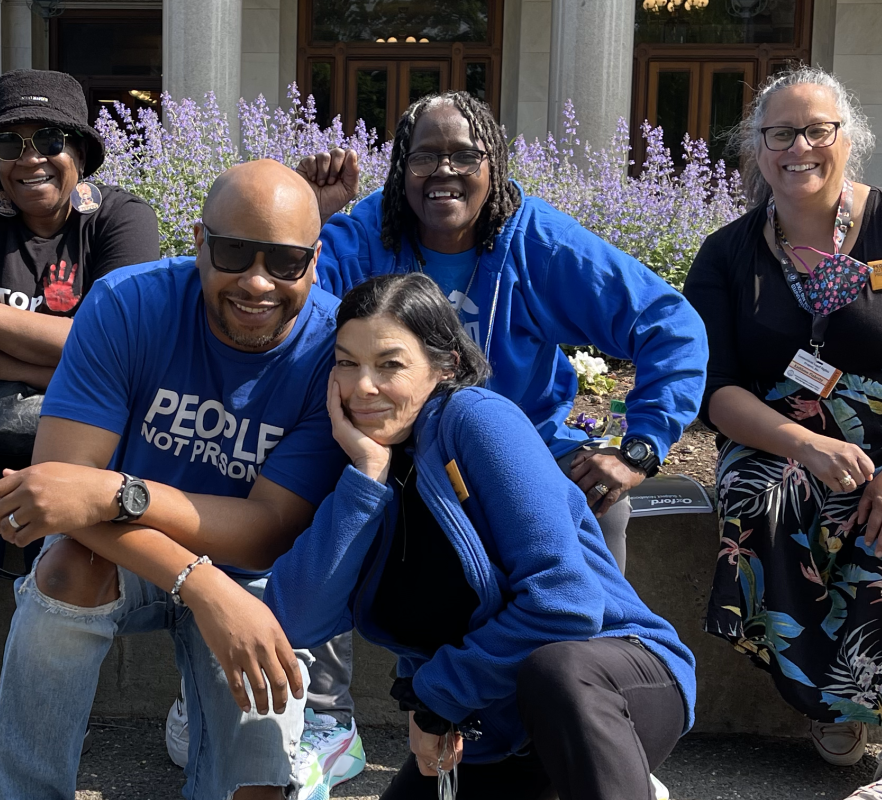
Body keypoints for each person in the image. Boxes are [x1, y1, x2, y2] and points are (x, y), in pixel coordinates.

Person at [285, 90, 708, 763]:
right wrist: (309, 217)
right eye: (424, 156)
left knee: (587, 548)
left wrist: (639, 446)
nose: (443, 171)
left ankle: (590, 728)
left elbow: (668, 323)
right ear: (398, 168)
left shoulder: (534, 241)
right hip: (399, 460)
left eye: (463, 155)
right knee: (321, 495)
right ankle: (329, 716)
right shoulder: (363, 234)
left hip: (526, 464)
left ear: (495, 163)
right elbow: (291, 315)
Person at [680, 67, 882, 800]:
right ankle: (835, 703)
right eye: (780, 133)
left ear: (847, 139)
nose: (798, 146)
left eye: (816, 130)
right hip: (796, 427)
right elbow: (715, 388)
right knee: (765, 501)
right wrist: (800, 445)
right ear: (758, 148)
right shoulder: (728, 253)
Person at [0, 159, 349, 800]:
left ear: (313, 260)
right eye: (233, 253)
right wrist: (199, 583)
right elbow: (63, 502)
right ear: (198, 243)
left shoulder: (329, 349)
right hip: (122, 555)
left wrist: (119, 492)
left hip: (246, 570)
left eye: (285, 262)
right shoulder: (128, 306)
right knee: (63, 571)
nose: (257, 283)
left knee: (253, 790)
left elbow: (269, 530)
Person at [266, 272, 695, 799]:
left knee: (559, 671)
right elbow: (295, 618)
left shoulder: (478, 421)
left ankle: (616, 776)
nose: (362, 387)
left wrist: (437, 697)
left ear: (445, 366)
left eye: (390, 364)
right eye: (346, 363)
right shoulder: (356, 456)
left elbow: (566, 601)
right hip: (491, 729)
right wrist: (366, 476)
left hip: (610, 686)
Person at [0, 69, 159, 784]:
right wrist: (72, 352)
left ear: (80, 149)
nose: (30, 156)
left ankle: (40, 724)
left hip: (84, 437)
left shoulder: (121, 218)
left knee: (65, 547)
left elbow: (127, 352)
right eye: (10, 141)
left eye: (50, 138)